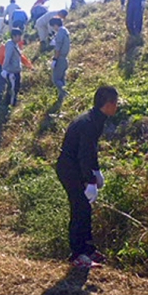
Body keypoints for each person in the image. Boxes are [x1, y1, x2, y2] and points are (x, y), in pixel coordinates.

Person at [56, 86, 119, 269]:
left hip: (77, 167)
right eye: (115, 103)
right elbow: (83, 154)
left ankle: (88, 249)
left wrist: (97, 171)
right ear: (107, 105)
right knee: (80, 208)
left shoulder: (96, 119)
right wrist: (89, 181)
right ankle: (77, 255)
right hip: (69, 169)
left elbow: (91, 151)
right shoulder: (89, 123)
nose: (117, 107)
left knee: (86, 209)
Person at [0, 32, 33, 104]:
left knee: (10, 83)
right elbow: (0, 59)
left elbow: (20, 57)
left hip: (5, 65)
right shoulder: (6, 47)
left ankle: (7, 100)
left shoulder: (16, 46)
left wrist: (29, 66)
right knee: (2, 82)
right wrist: (5, 69)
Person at [51, 17, 71, 102]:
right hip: (65, 58)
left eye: (53, 26)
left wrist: (55, 59)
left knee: (56, 79)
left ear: (55, 25)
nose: (53, 28)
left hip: (60, 59)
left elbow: (58, 48)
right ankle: (63, 97)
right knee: (62, 78)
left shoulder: (60, 33)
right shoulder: (65, 31)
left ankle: (65, 94)